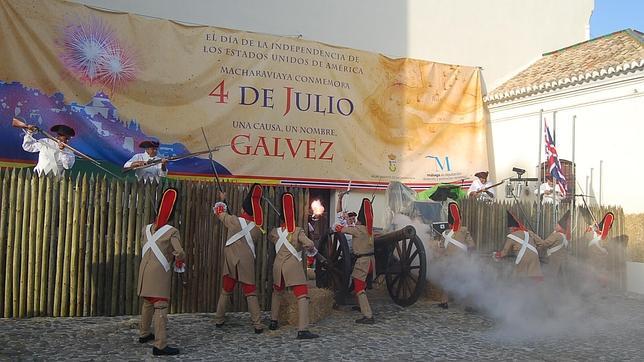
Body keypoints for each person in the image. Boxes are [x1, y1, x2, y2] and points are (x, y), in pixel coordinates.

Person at [137, 188, 185, 356]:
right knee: (160, 306)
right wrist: (178, 259)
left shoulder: (146, 228)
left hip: (145, 270)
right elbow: (179, 252)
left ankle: (143, 334)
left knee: (148, 303)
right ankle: (160, 345)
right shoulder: (172, 231)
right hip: (159, 273)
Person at [212, 184, 265, 333]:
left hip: (231, 261)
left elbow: (219, 212)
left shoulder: (234, 220)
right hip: (246, 262)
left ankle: (219, 319)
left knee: (225, 291)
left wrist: (222, 199)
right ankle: (258, 324)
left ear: (243, 209)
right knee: (251, 293)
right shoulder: (257, 228)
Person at [268, 192, 319, 339]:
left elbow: (274, 239)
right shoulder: (297, 231)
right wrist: (304, 246)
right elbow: (309, 243)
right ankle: (302, 329)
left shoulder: (274, 232)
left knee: (277, 292)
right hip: (292, 266)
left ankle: (273, 321)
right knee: (302, 295)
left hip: (278, 266)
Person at [337, 198, 376, 324]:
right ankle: (362, 306)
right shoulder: (370, 231)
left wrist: (337, 225)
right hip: (371, 262)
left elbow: (341, 229)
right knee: (362, 285)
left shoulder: (359, 229)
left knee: (359, 287)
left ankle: (368, 316)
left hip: (362, 262)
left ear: (360, 219)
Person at [435, 202, 476, 309]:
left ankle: (444, 302)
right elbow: (472, 245)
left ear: (449, 224)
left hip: (449, 262)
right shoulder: (464, 230)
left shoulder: (445, 234)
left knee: (447, 281)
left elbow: (441, 250)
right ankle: (469, 304)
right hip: (462, 261)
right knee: (466, 281)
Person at [494, 211, 544, 282]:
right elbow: (542, 243)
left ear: (512, 228)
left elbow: (505, 252)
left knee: (519, 279)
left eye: (510, 228)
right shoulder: (528, 232)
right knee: (534, 277)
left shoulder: (511, 236)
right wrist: (535, 249)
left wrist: (497, 255)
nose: (509, 230)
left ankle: (521, 291)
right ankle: (537, 292)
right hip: (534, 257)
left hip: (523, 258)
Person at [581, 211, 614, 287]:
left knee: (599, 271)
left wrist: (593, 228)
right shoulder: (594, 233)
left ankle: (599, 286)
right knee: (595, 271)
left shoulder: (599, 234)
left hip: (597, 256)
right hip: (594, 256)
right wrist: (592, 227)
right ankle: (594, 286)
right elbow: (586, 235)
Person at [541, 210, 571, 280]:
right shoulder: (564, 236)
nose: (556, 226)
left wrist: (536, 239)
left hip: (553, 260)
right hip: (561, 261)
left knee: (550, 279)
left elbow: (545, 244)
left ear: (560, 227)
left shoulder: (556, 235)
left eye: (557, 225)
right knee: (560, 280)